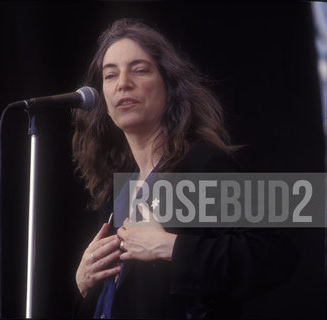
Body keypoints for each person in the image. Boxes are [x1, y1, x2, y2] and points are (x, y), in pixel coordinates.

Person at [72, 18, 298, 319]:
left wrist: (169, 246)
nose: (122, 83)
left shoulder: (201, 165)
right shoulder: (122, 189)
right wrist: (85, 284)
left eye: (139, 70)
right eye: (110, 75)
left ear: (170, 86)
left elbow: (274, 253)